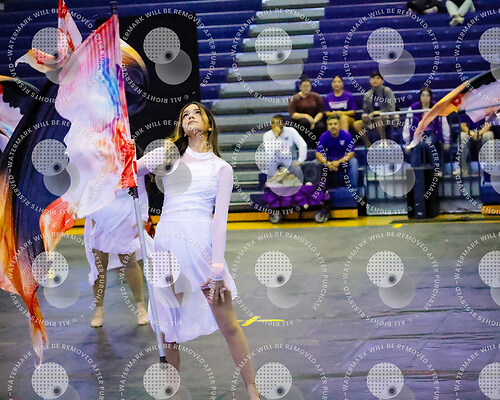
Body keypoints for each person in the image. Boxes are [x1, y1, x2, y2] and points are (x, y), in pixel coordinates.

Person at [137, 102, 260, 400]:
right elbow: (132, 171)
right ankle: (171, 392)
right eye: (185, 115)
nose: (190, 117)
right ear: (181, 125)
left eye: (196, 113)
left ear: (209, 124)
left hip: (200, 247)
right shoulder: (169, 155)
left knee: (229, 324)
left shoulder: (221, 168)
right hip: (167, 246)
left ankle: (252, 389)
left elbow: (220, 221)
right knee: (168, 331)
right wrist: (125, 147)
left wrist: (217, 268)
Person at [85, 175, 152, 328]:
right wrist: (90, 215)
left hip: (125, 216)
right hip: (98, 217)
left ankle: (140, 307)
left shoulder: (129, 161)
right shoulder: (95, 162)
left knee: (129, 262)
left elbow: (140, 190)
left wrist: (143, 216)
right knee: (98, 265)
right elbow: (86, 188)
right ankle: (98, 309)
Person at [403, 87, 450, 167]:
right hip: (417, 134)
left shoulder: (437, 107)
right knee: (416, 143)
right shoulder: (413, 108)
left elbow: (444, 124)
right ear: (420, 97)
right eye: (423, 95)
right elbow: (407, 125)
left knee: (429, 142)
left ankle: (437, 169)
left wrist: (446, 141)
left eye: (427, 95)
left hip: (433, 133)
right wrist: (407, 143)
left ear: (430, 97)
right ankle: (415, 170)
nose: (425, 98)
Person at [316, 115, 358, 189]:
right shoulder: (323, 136)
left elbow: (351, 153)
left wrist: (338, 162)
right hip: (329, 161)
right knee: (315, 163)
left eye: (335, 124)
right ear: (327, 126)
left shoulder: (346, 135)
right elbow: (318, 154)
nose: (333, 126)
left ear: (339, 125)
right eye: (330, 124)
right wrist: (326, 163)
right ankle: (319, 190)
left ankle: (353, 189)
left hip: (343, 161)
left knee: (354, 162)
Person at [263, 114, 307, 179]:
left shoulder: (291, 131)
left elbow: (302, 145)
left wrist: (300, 161)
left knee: (297, 169)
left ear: (283, 124)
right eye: (273, 123)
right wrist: (276, 137)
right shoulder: (267, 135)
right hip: (276, 163)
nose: (275, 125)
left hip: (291, 161)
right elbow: (270, 153)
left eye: (277, 123)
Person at [362, 71, 399, 146]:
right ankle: (369, 145)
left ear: (382, 81)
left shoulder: (387, 91)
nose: (375, 80)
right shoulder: (368, 94)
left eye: (378, 78)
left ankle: (383, 141)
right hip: (371, 118)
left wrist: (377, 113)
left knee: (378, 118)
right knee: (357, 124)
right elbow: (366, 110)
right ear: (369, 81)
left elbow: (391, 109)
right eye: (373, 78)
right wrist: (365, 116)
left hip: (387, 117)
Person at [288, 76, 325, 149]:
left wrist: (314, 121)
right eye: (304, 86)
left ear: (310, 87)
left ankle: (317, 146)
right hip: (300, 120)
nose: (306, 88)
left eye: (308, 86)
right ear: (300, 87)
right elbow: (293, 114)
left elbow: (320, 112)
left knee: (321, 126)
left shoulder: (316, 97)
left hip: (315, 119)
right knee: (304, 123)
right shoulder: (294, 98)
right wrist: (306, 116)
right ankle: (303, 145)